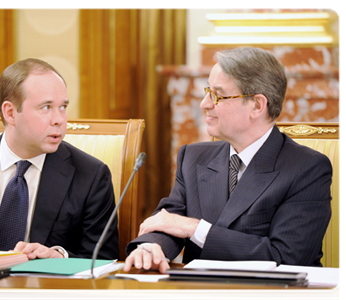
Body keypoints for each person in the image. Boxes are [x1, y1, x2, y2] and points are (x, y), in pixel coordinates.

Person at [125, 47, 332, 274]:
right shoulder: (193, 157)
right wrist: (151, 247)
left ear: (257, 105)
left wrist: (196, 228)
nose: (205, 103)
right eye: (207, 91)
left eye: (217, 95)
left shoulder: (307, 168)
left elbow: (286, 257)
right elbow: (169, 221)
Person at [0, 58, 119, 260]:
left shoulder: (91, 176)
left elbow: (103, 258)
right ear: (10, 113)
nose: (59, 119)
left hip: (43, 286)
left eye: (62, 107)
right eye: (46, 107)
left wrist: (59, 257)